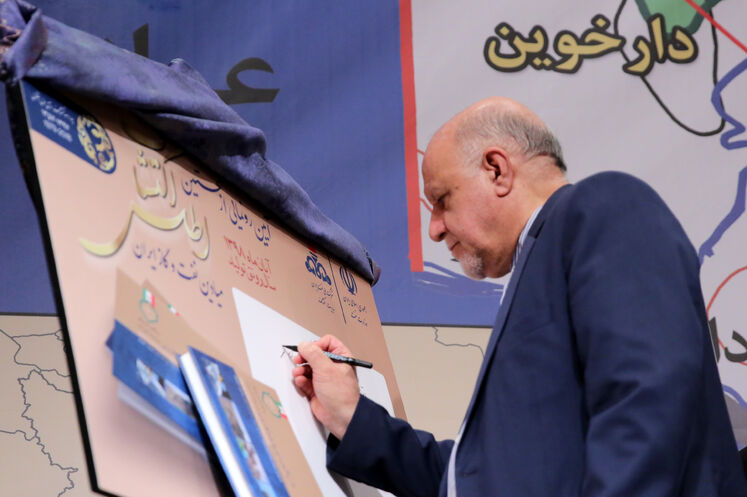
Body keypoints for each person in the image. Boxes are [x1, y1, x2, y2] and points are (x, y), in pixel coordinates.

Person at [292, 97, 747, 496]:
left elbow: (647, 403)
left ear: (497, 169)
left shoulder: (604, 206)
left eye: (442, 199)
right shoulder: (544, 259)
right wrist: (351, 416)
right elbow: (478, 481)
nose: (435, 229)